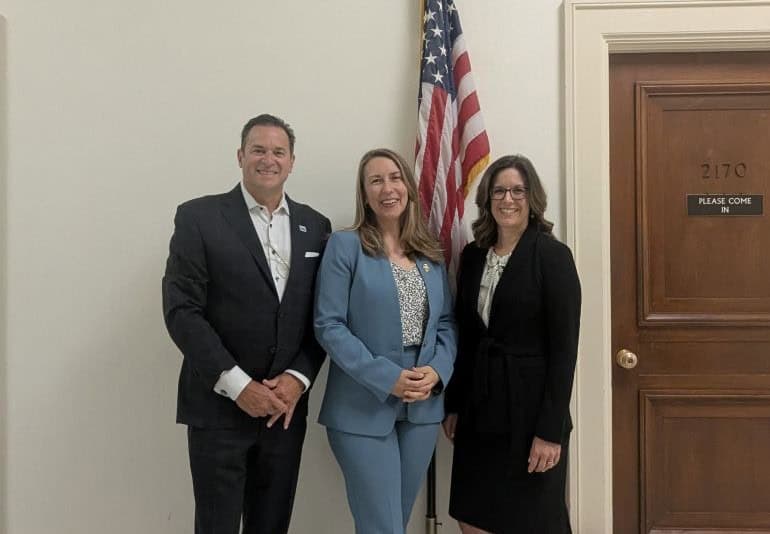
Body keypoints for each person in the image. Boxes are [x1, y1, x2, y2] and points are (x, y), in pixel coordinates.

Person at [162, 114, 331, 534]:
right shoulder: (198, 218)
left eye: (278, 152)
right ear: (240, 156)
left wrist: (298, 379)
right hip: (218, 411)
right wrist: (240, 387)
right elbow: (182, 311)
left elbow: (325, 317)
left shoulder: (317, 227)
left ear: (292, 162)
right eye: (258, 150)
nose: (267, 159)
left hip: (284, 413)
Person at [313, 148, 457, 534]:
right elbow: (329, 326)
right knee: (383, 527)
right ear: (364, 193)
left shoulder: (430, 253)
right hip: (361, 406)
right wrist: (386, 377)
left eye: (394, 178)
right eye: (375, 180)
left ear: (408, 187)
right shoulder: (345, 247)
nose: (387, 188)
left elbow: (445, 324)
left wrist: (437, 372)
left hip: (422, 410)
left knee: (396, 520)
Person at [443, 154, 581, 534]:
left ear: (532, 197)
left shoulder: (552, 256)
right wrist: (454, 404)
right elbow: (467, 336)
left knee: (533, 519)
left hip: (531, 413)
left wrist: (550, 431)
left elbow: (564, 350)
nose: (508, 199)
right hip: (479, 409)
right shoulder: (473, 256)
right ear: (487, 199)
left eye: (518, 190)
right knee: (472, 514)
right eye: (499, 190)